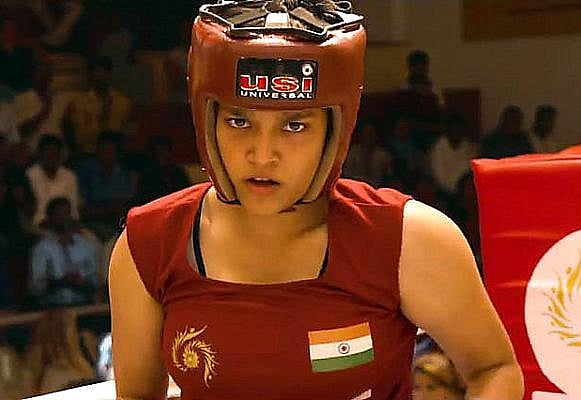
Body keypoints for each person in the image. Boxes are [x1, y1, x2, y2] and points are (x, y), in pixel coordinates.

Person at [109, 1, 523, 399]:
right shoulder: (149, 244)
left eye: (294, 126)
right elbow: (137, 395)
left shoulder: (407, 238)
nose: (262, 155)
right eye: (239, 121)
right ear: (208, 121)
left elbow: (494, 369)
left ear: (334, 129)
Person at [29, 197, 99, 308]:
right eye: (58, 214)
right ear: (50, 218)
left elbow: (96, 280)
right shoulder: (41, 249)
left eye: (66, 213)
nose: (63, 218)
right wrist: (62, 281)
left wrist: (82, 281)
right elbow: (36, 287)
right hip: (52, 307)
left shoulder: (85, 245)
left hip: (83, 304)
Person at [23, 308, 96, 396]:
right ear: (68, 337)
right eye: (75, 330)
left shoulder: (43, 376)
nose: (77, 336)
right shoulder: (70, 377)